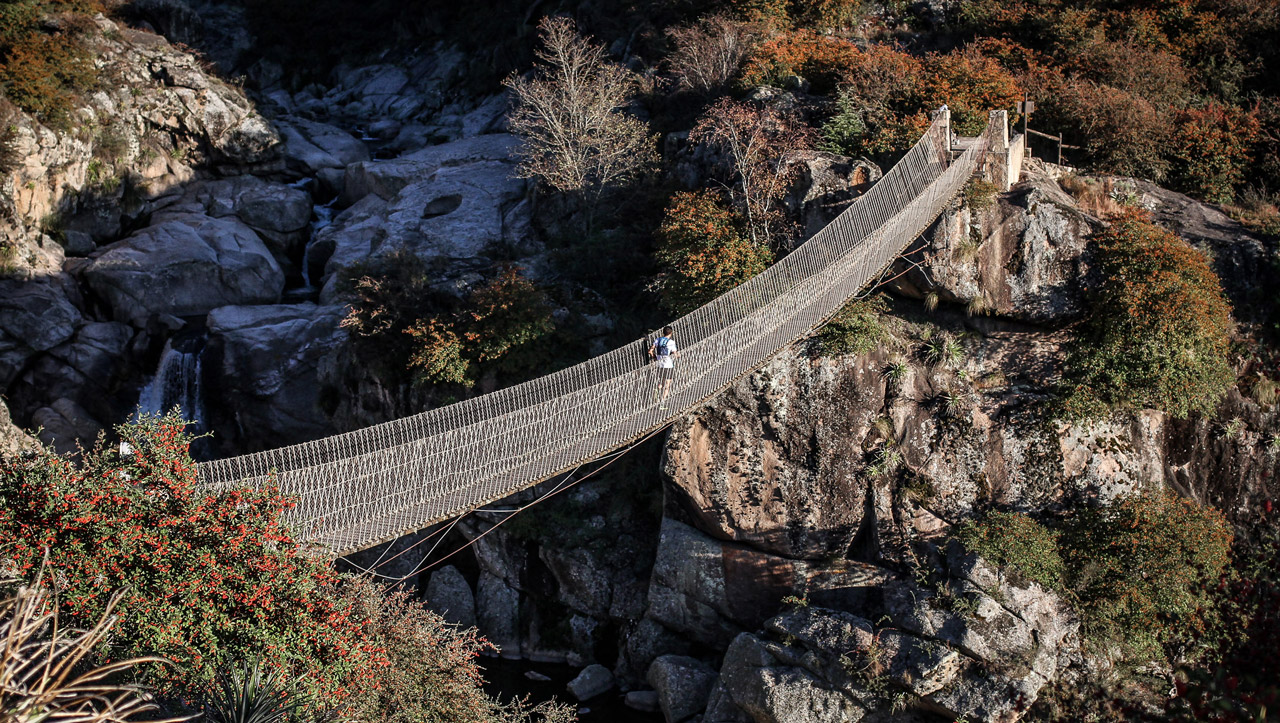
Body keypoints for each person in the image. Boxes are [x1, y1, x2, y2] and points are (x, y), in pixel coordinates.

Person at [648, 326, 678, 408]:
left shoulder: (657, 340)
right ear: (671, 333)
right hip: (668, 365)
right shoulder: (671, 342)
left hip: (659, 364)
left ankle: (657, 389)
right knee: (667, 384)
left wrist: (654, 357)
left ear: (663, 332)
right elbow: (675, 354)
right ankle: (662, 403)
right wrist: (678, 355)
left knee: (662, 381)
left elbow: (650, 351)